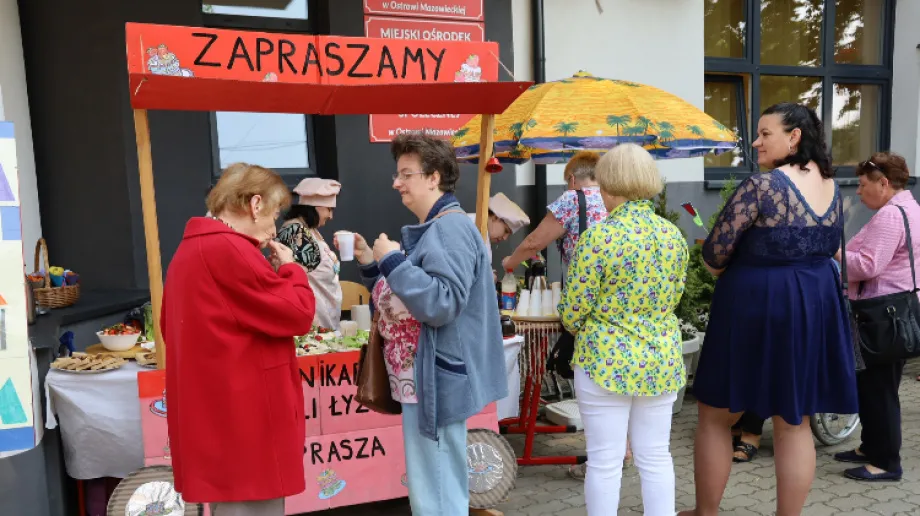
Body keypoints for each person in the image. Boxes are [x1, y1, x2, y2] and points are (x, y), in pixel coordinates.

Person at [681, 103, 858, 516]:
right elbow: (833, 250)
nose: (756, 142)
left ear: (793, 136)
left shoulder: (762, 186)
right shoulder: (833, 187)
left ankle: (706, 514)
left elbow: (713, 255)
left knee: (716, 414)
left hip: (756, 305)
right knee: (793, 419)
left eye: (764, 133)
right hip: (813, 302)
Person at [339, 133, 506, 515]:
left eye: (406, 174)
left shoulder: (448, 229)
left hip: (435, 378)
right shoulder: (441, 227)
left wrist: (392, 262)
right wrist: (372, 261)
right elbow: (407, 298)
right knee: (434, 481)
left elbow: (441, 303)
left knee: (438, 488)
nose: (396, 183)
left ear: (434, 178)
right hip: (426, 378)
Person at [162, 163, 316, 515]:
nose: (274, 227)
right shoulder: (230, 250)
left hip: (218, 412)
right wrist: (291, 269)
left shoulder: (188, 252)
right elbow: (298, 313)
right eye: (275, 214)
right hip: (248, 416)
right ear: (255, 204)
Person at [559, 143, 687, 516]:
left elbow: (573, 311)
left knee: (604, 461)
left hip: (604, 361)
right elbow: (674, 297)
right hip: (660, 359)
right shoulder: (673, 236)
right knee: (656, 456)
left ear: (607, 185)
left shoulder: (598, 238)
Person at [834, 152, 918, 482]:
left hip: (880, 315)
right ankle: (870, 446)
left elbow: (868, 266)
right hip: (894, 312)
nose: (858, 190)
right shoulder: (909, 208)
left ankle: (885, 462)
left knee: (879, 389)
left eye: (863, 183)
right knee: (877, 386)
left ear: (884, 183)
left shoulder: (891, 216)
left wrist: (835, 250)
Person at [501, 151, 608, 273]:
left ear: (572, 179)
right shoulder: (612, 198)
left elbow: (534, 243)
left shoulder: (573, 198)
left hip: (588, 282)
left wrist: (510, 262)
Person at [277, 178, 342, 330]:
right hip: (312, 324)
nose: (331, 216)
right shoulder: (294, 232)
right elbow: (294, 277)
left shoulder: (310, 230)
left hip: (326, 318)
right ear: (316, 207)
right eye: (329, 209)